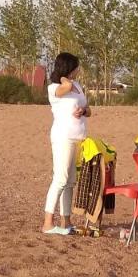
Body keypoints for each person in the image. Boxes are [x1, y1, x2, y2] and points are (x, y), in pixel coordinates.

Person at [41, 52, 90, 236]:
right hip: (63, 137)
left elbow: (89, 109)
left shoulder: (77, 85)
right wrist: (63, 77)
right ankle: (48, 222)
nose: (78, 70)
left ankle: (66, 221)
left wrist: (83, 111)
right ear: (68, 68)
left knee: (70, 182)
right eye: (75, 66)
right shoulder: (55, 87)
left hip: (79, 138)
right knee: (60, 179)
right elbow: (66, 86)